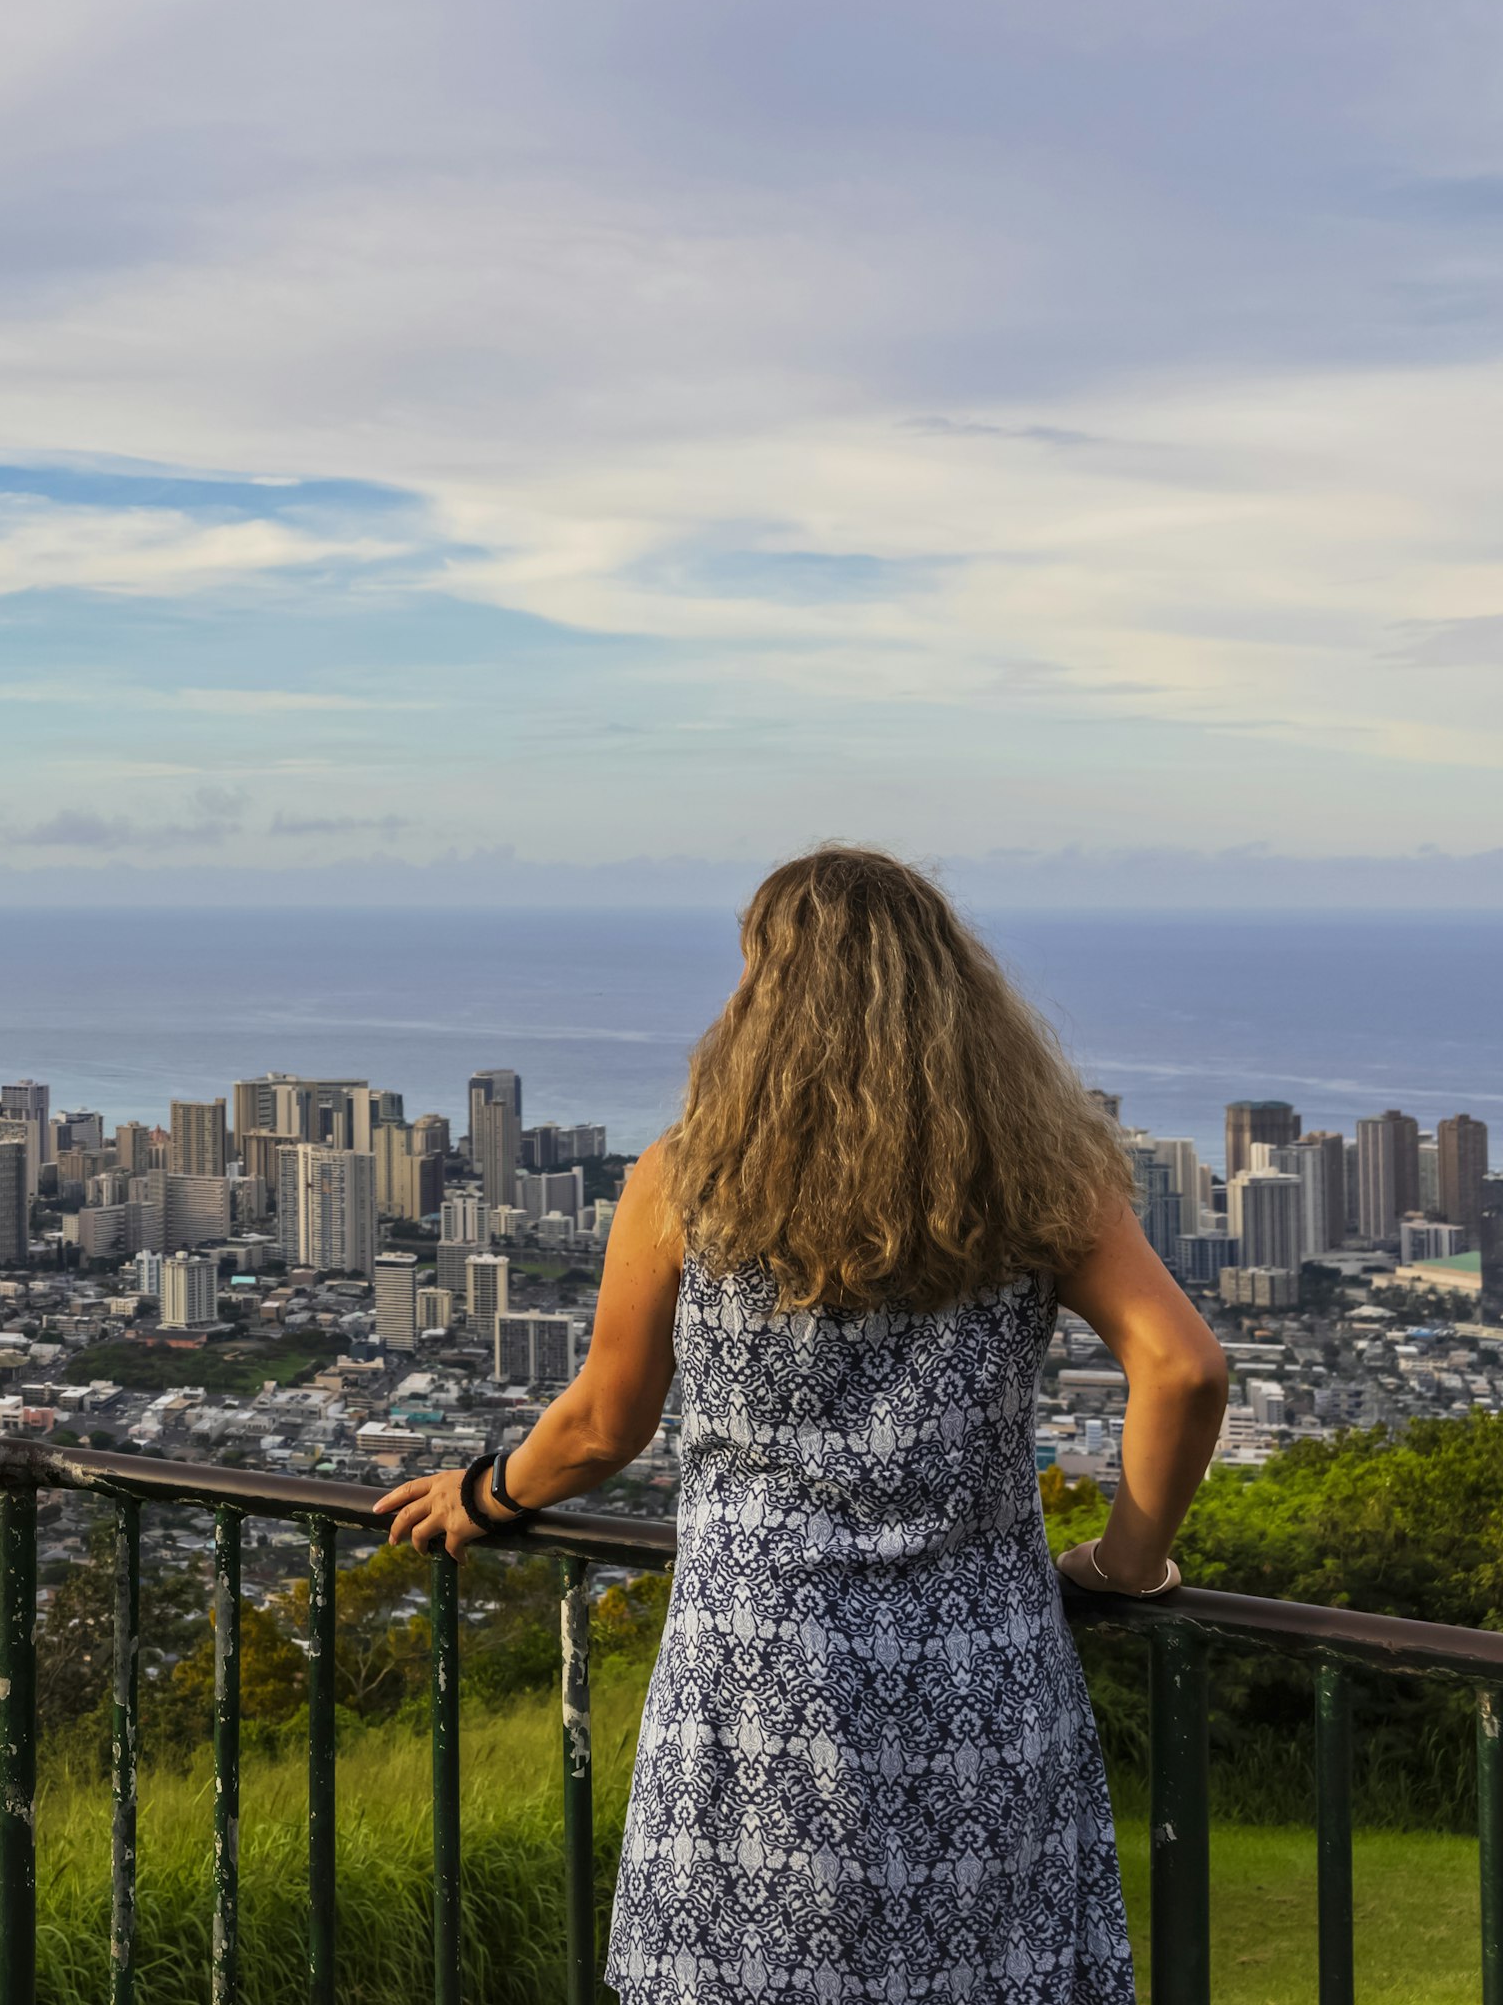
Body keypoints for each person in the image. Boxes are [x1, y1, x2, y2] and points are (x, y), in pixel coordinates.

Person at [379, 845, 1228, 2004]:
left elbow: (599, 1424)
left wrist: (482, 1495)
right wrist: (1126, 1565)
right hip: (980, 1687)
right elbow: (1183, 1368)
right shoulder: (1040, 1178)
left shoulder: (687, 1180)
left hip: (755, 1687)